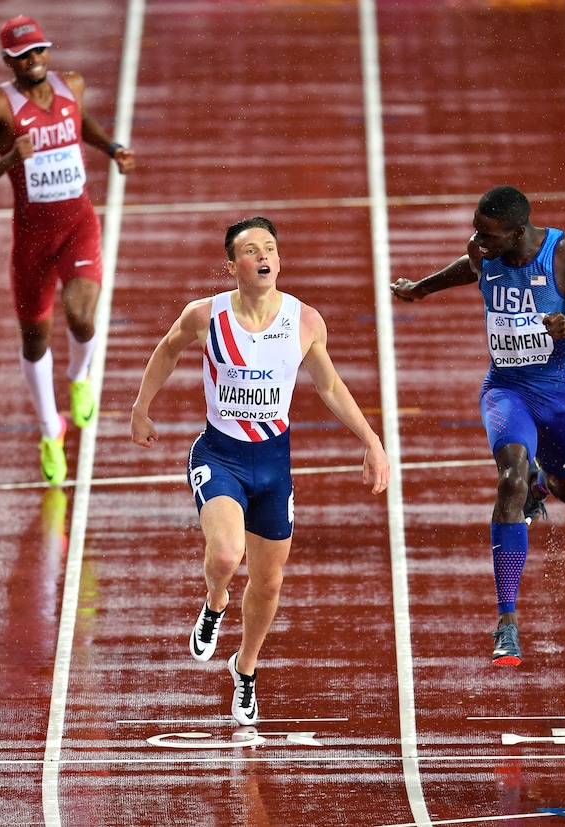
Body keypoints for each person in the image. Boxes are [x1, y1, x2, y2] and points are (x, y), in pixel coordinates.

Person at [131, 216, 390, 724]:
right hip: (220, 456)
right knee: (226, 555)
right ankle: (214, 599)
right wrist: (142, 406)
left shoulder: (305, 321)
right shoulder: (206, 316)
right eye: (250, 250)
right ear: (232, 266)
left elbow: (331, 386)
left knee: (269, 583)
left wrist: (371, 441)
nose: (263, 255)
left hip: (274, 466)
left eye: (269, 247)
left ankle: (244, 667)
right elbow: (167, 349)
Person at [390, 185, 565, 667]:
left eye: (487, 235)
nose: (477, 241)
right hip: (505, 390)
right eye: (476, 231)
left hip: (558, 394)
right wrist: (421, 288)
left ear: (519, 233)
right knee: (509, 479)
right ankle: (507, 622)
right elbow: (468, 267)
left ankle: (543, 485)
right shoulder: (485, 254)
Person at [0, 16, 136, 486]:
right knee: (35, 341)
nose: (33, 60)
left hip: (78, 226)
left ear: (47, 52)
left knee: (81, 316)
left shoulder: (70, 85)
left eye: (39, 51)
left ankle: (80, 378)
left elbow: (82, 126)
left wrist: (111, 147)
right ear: (8, 60)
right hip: (31, 241)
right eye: (23, 56)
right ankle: (49, 429)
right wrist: (8, 159)